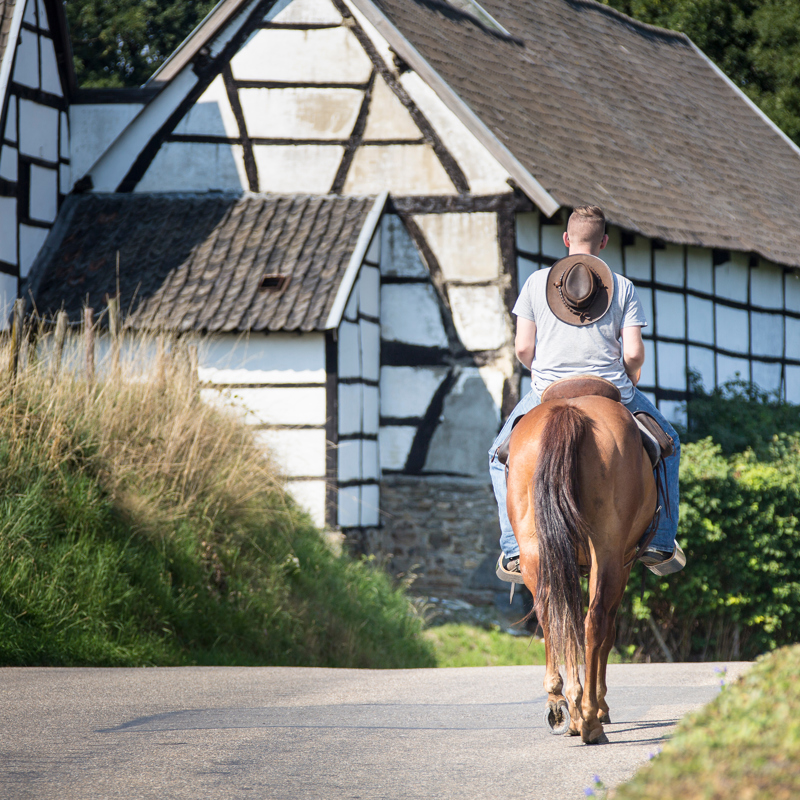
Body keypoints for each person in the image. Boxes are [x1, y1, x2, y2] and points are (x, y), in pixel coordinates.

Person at [489, 205, 684, 583]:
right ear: (604, 242)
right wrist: (631, 375)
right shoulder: (622, 285)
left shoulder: (535, 283)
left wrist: (547, 372)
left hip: (548, 391)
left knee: (499, 458)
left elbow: (523, 349)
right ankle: (661, 540)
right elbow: (632, 353)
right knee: (670, 442)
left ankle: (514, 547)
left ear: (566, 239)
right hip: (612, 392)